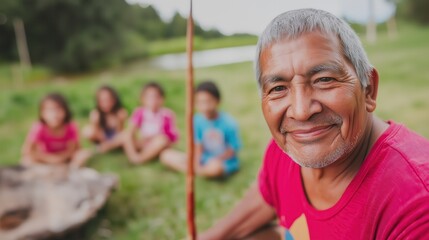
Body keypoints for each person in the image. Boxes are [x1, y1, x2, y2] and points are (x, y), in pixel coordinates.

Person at [198, 9, 429, 240]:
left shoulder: (416, 206)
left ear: (368, 88)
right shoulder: (286, 152)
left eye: (324, 80)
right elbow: (265, 196)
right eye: (278, 88)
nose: (301, 112)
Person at [160, 81, 241, 178]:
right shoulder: (197, 120)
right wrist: (196, 163)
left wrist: (215, 160)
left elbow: (232, 150)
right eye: (200, 102)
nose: (205, 107)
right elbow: (198, 145)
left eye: (208, 101)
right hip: (204, 159)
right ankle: (198, 171)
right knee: (166, 155)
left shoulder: (229, 123)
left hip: (222, 161)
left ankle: (194, 171)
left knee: (215, 168)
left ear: (218, 101)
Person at [21, 93, 90, 168]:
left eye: (58, 109)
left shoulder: (70, 126)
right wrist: (50, 159)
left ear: (65, 111)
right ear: (42, 113)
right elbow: (27, 151)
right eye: (49, 110)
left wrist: (60, 159)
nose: (54, 114)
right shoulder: (39, 127)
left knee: (83, 155)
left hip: (67, 161)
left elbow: (74, 150)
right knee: (26, 160)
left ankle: (75, 173)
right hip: (44, 161)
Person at [123, 82, 179, 164]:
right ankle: (133, 156)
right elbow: (131, 130)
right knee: (125, 134)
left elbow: (173, 137)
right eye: (149, 97)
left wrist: (157, 137)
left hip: (158, 144)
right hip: (144, 143)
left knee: (161, 140)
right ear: (142, 99)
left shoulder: (167, 114)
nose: (153, 100)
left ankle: (139, 159)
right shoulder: (140, 112)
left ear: (162, 99)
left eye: (156, 97)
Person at [82, 85, 128, 153]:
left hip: (116, 137)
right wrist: (95, 123)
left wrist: (119, 121)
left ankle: (105, 147)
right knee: (87, 130)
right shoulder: (95, 113)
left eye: (108, 100)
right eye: (102, 101)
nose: (105, 104)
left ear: (114, 100)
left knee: (125, 134)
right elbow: (96, 132)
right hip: (102, 137)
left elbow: (120, 131)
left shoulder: (120, 112)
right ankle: (106, 146)